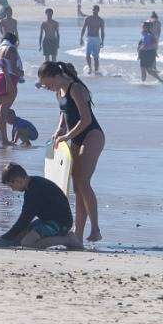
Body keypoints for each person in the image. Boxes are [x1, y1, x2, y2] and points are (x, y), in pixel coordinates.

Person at [37, 61, 104, 244]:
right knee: (77, 187)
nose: (47, 88)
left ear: (56, 76)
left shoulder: (75, 88)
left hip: (92, 135)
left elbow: (86, 119)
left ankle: (95, 229)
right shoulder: (59, 91)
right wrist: (59, 130)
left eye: (47, 83)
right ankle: (78, 234)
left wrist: (66, 135)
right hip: (74, 138)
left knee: (83, 181)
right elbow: (63, 112)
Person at [0, 162, 79, 249]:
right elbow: (24, 221)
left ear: (18, 180)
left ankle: (67, 239)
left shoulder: (35, 191)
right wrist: (8, 238)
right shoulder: (32, 185)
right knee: (17, 239)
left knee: (27, 243)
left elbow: (24, 219)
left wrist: (4, 238)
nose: (12, 190)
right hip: (46, 220)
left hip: (61, 223)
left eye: (11, 186)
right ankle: (63, 238)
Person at [79, 4, 104, 76]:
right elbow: (83, 28)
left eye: (95, 10)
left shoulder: (100, 20)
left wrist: (102, 41)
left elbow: (102, 32)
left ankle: (96, 70)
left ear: (98, 10)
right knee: (87, 55)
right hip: (89, 38)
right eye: (93, 9)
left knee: (96, 56)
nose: (94, 11)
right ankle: (90, 68)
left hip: (97, 39)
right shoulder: (88, 19)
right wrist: (81, 38)